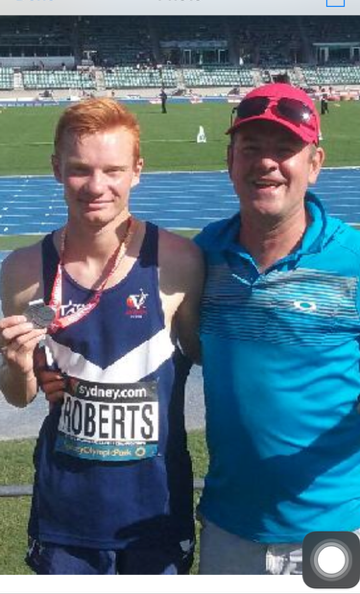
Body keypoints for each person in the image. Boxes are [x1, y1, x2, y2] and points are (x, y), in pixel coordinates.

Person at [0, 98, 204, 575]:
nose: (96, 186)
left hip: (155, 514)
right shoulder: (23, 270)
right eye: (79, 170)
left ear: (137, 170)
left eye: (112, 170)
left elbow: (202, 357)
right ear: (55, 169)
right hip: (65, 519)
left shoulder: (179, 262)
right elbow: (18, 396)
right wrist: (15, 363)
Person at [195, 82, 360, 574]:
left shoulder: (353, 261)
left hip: (331, 528)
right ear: (230, 160)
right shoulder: (202, 256)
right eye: (251, 148)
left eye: (285, 149)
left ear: (314, 163)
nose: (266, 162)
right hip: (229, 526)